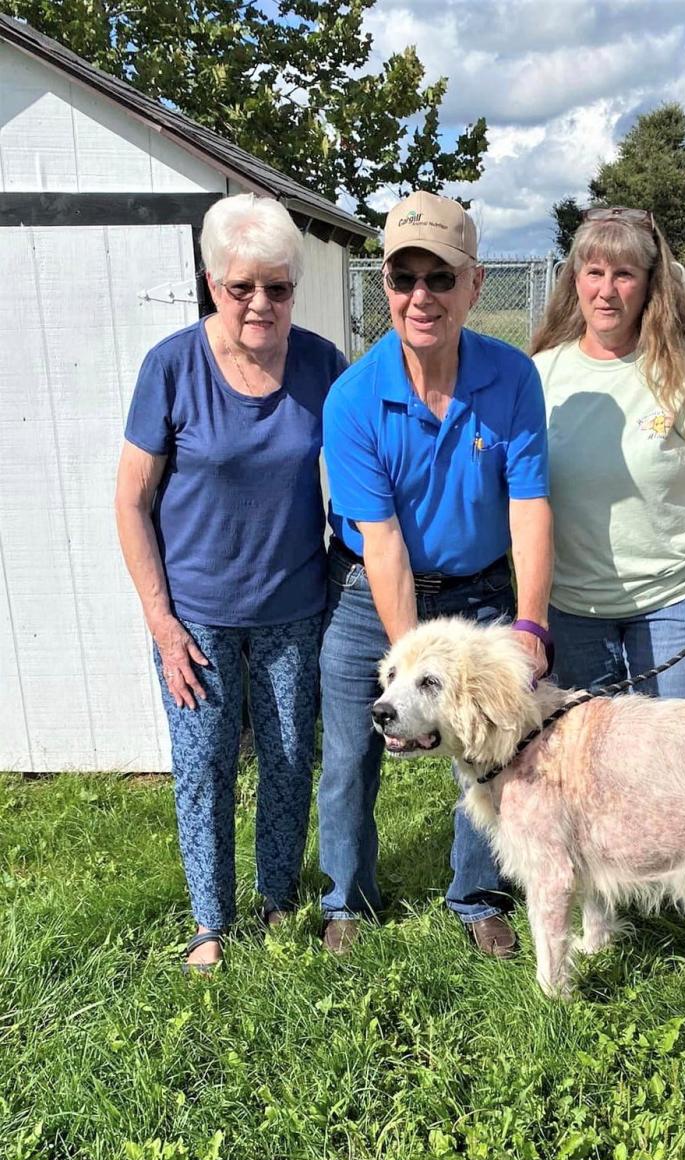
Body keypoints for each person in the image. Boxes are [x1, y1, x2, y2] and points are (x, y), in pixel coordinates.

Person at [115, 193, 346, 971]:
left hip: (295, 607)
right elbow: (132, 498)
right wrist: (160, 619)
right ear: (213, 282)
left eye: (277, 288)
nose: (260, 303)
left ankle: (278, 896)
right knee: (205, 767)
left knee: (287, 759)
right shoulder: (171, 367)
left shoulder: (321, 365)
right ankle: (211, 923)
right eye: (242, 286)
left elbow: (360, 479)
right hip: (197, 617)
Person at [319, 190, 553, 957]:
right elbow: (381, 543)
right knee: (353, 751)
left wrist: (527, 623)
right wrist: (411, 675)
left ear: (474, 285)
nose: (421, 296)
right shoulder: (354, 397)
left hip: (481, 587)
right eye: (403, 277)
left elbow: (529, 508)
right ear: (383, 285)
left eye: (440, 278)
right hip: (373, 592)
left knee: (491, 743)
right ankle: (346, 898)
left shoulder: (512, 379)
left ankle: (478, 893)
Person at [531, 207, 685, 699]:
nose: (607, 289)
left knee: (667, 746)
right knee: (583, 749)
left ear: (649, 284)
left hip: (676, 593)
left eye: (624, 274)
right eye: (594, 272)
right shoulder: (539, 374)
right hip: (574, 601)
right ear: (574, 279)